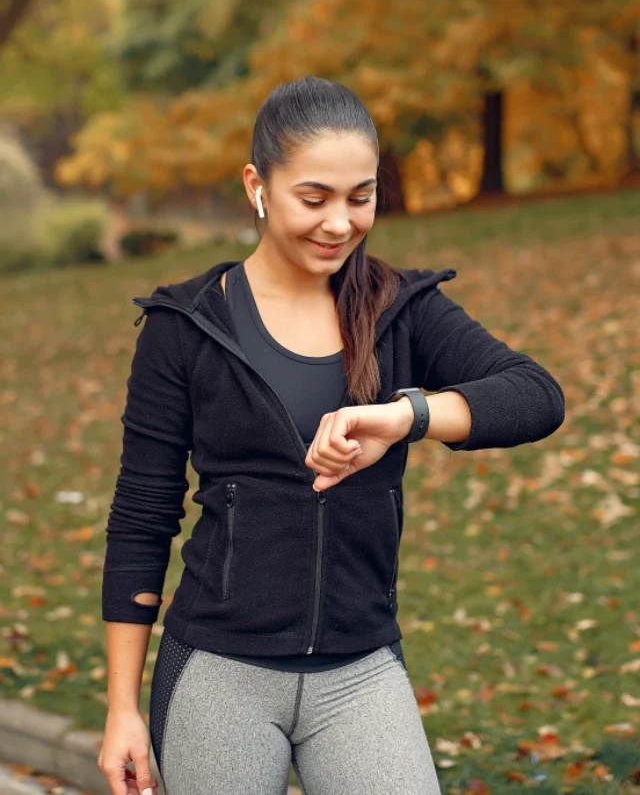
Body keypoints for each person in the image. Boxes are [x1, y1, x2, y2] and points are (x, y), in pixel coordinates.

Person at [98, 75, 565, 795]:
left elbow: (535, 395)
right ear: (258, 184)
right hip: (219, 673)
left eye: (361, 196)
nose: (340, 224)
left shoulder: (399, 308)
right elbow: (140, 521)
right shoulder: (184, 328)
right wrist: (121, 710)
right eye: (313, 199)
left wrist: (405, 415)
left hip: (361, 669)